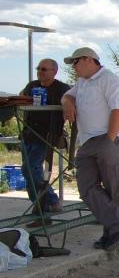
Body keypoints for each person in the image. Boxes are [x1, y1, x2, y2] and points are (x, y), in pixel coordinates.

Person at [61, 47, 119, 251]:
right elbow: (67, 95)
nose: (73, 67)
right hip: (88, 142)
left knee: (112, 186)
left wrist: (109, 141)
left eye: (75, 62)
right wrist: (67, 102)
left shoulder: (109, 79)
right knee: (86, 186)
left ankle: (113, 232)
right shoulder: (82, 82)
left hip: (110, 139)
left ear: (88, 59)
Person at [19, 58, 71, 213]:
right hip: (28, 134)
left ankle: (51, 201)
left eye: (43, 69)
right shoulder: (32, 86)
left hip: (47, 135)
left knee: (29, 169)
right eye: (38, 68)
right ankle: (40, 206)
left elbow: (70, 102)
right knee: (31, 173)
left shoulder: (62, 88)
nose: (39, 72)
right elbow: (21, 98)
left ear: (54, 71)